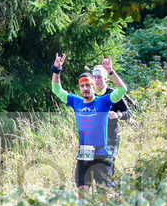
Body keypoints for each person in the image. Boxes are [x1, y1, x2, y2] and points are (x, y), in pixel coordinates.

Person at [50, 54, 126, 191]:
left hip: (102, 154)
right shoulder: (76, 102)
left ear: (93, 87)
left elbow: (122, 90)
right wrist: (56, 70)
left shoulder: (103, 102)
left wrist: (110, 71)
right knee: (82, 194)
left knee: (104, 195)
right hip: (85, 153)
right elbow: (57, 90)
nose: (85, 88)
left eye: (88, 85)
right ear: (80, 88)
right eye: (82, 86)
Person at [90, 60, 132, 178]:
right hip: (93, 137)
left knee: (106, 166)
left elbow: (128, 113)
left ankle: (107, 187)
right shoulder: (89, 94)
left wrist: (117, 115)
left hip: (111, 137)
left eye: (99, 77)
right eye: (94, 77)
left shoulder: (113, 94)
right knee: (92, 169)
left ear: (105, 79)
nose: (97, 80)